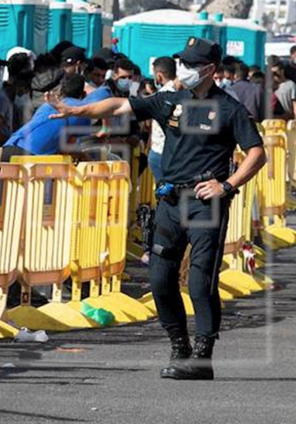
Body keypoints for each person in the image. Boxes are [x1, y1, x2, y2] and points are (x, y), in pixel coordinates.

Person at [45, 37, 266, 381]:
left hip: (205, 202)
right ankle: (179, 348)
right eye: (183, 63)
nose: (185, 69)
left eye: (192, 65)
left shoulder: (229, 108)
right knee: (161, 279)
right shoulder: (169, 100)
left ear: (209, 70)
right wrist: (77, 110)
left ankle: (202, 357)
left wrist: (227, 185)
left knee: (199, 281)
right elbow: (120, 106)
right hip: (169, 201)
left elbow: (256, 153)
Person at [1, 73, 90, 160]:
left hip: (9, 147)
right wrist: (90, 160)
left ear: (60, 91)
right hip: (30, 157)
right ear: (83, 94)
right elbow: (72, 148)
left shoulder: (47, 106)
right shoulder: (81, 111)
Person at [148, 56, 177, 182]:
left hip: (160, 152)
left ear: (159, 76)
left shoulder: (161, 96)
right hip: (175, 153)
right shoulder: (182, 93)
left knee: (163, 193)